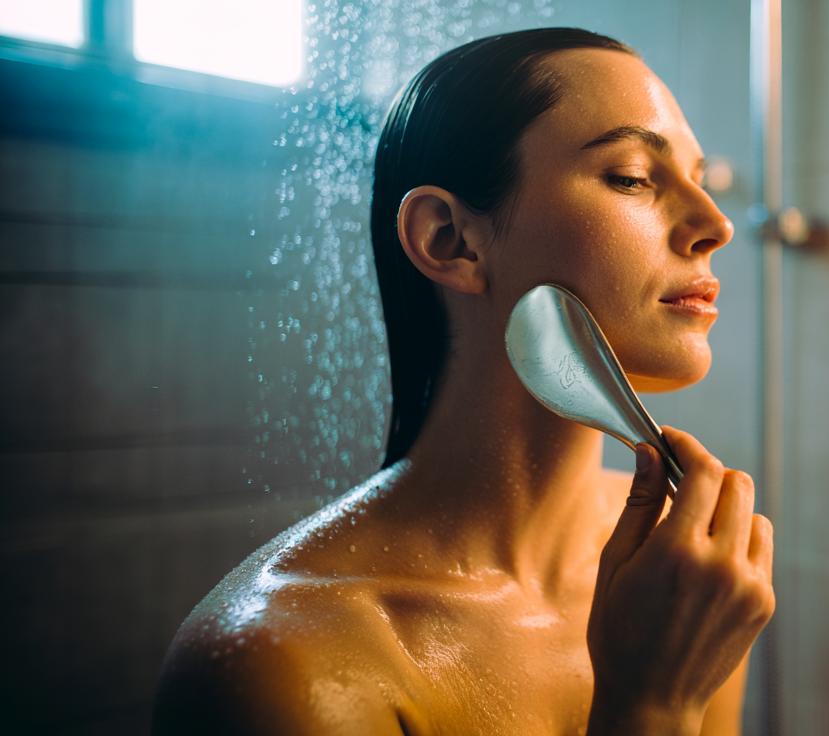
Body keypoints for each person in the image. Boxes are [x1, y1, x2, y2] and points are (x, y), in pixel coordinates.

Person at [154, 28, 773, 735]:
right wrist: (652, 708)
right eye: (633, 175)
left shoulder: (681, 569)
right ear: (450, 239)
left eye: (702, 177)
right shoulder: (290, 661)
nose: (715, 224)